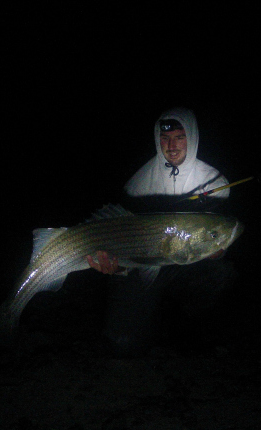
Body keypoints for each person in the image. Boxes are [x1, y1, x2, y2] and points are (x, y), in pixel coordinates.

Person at [86, 107, 235, 356]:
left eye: (180, 136)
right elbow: (124, 248)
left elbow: (218, 238)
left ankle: (189, 329)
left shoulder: (215, 181)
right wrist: (116, 266)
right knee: (124, 344)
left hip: (189, 265)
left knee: (221, 275)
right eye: (165, 138)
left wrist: (217, 253)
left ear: (193, 136)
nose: (172, 145)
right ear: (157, 139)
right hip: (143, 264)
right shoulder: (137, 184)